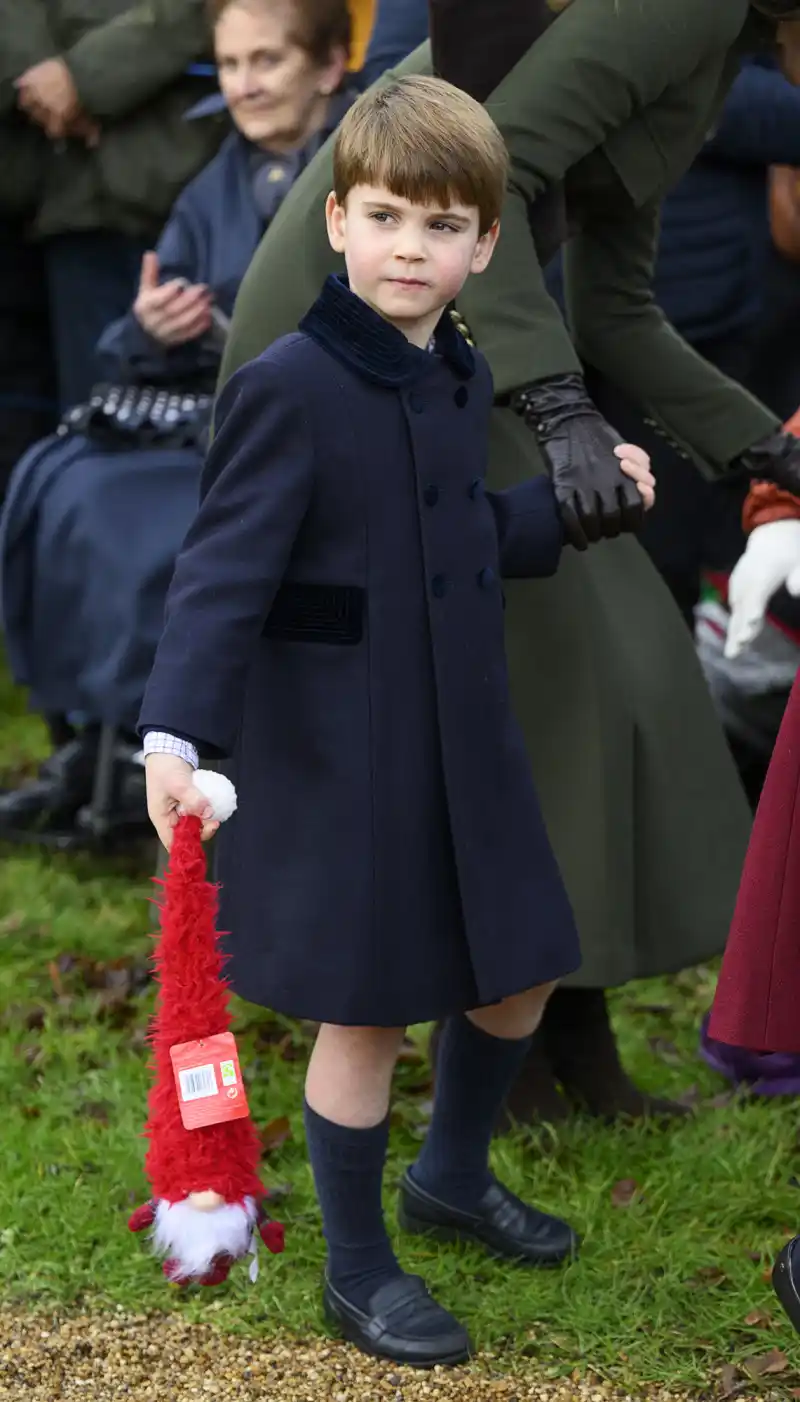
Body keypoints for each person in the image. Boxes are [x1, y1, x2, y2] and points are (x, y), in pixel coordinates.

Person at [138, 77, 655, 1366]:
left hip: (462, 737)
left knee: (523, 958)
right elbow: (218, 573)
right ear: (335, 224)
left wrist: (568, 510)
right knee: (364, 1012)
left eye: (439, 226)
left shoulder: (451, 367)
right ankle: (359, 1264)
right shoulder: (291, 385)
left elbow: (447, 536)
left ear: (485, 245)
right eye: (383, 218)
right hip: (342, 755)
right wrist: (175, 736)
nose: (408, 249)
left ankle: (450, 1175)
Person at [217, 2, 800, 1127]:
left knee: (606, 671)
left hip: (464, 326)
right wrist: (559, 407)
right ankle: (503, 1058)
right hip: (361, 320)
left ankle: (564, 1035)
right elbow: (497, 165)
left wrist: (765, 450)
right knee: (574, 664)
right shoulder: (680, 8)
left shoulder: (713, 48)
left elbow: (616, 306)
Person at [0, 0, 356, 843]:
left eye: (266, 61)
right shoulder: (213, 179)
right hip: (210, 420)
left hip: (309, 435)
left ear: (330, 67)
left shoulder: (364, 167)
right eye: (230, 65)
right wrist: (152, 328)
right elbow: (142, 336)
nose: (245, 84)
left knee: (144, 517)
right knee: (57, 481)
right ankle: (92, 738)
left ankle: (151, 741)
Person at [0, 0, 225, 412]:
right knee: (85, 432)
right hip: (60, 198)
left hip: (185, 179)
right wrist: (39, 85)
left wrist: (82, 80)